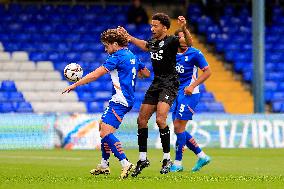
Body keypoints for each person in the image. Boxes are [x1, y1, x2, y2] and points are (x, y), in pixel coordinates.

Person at [62, 28, 150, 179]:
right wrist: (133, 72)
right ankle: (104, 164)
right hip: (124, 98)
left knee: (105, 133)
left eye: (107, 45)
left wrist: (75, 85)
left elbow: (96, 74)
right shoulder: (132, 55)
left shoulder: (116, 57)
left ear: (115, 44)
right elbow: (146, 73)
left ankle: (125, 162)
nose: (105, 49)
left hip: (120, 99)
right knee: (101, 125)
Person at [118, 13, 193, 176]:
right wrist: (129, 37)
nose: (152, 28)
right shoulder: (153, 42)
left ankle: (167, 159)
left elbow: (188, 43)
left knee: (160, 119)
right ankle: (143, 158)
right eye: (152, 25)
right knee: (141, 120)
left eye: (155, 26)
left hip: (170, 83)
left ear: (164, 27)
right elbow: (145, 45)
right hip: (156, 82)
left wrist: (184, 28)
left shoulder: (172, 41)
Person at [170, 29, 211, 173]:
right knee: (178, 128)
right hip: (177, 93)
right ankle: (202, 156)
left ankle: (178, 163)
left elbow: (208, 71)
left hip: (190, 93)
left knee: (178, 127)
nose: (185, 39)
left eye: (186, 37)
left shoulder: (195, 53)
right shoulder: (172, 54)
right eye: (181, 37)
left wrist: (192, 85)